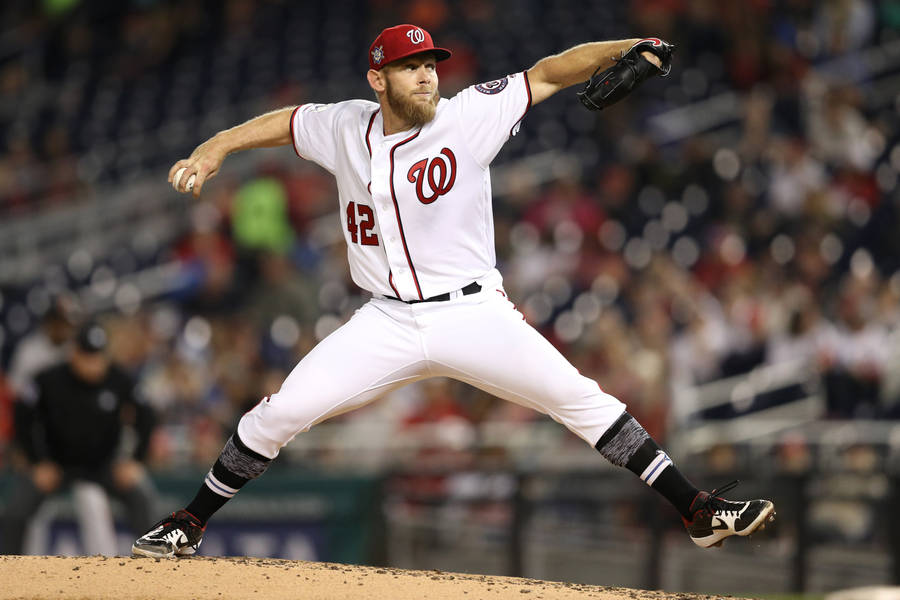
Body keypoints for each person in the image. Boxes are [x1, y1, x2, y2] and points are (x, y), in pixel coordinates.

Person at [132, 24, 774, 558]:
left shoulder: (467, 117)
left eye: (429, 64)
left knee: (581, 400)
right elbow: (286, 122)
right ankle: (188, 524)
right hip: (384, 320)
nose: (426, 75)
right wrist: (217, 146)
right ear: (377, 80)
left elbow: (549, 72)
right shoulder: (344, 125)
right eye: (409, 67)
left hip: (472, 312)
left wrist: (624, 48)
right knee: (277, 414)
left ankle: (697, 509)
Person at [1, 322, 157, 554]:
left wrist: (135, 460)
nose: (93, 363)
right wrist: (37, 461)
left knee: (142, 496)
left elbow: (147, 415)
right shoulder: (50, 379)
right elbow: (22, 415)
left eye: (97, 356)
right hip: (57, 465)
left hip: (105, 466)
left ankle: (154, 569)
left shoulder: (119, 379)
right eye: (87, 355)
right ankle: (8, 569)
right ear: (74, 352)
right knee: (15, 510)